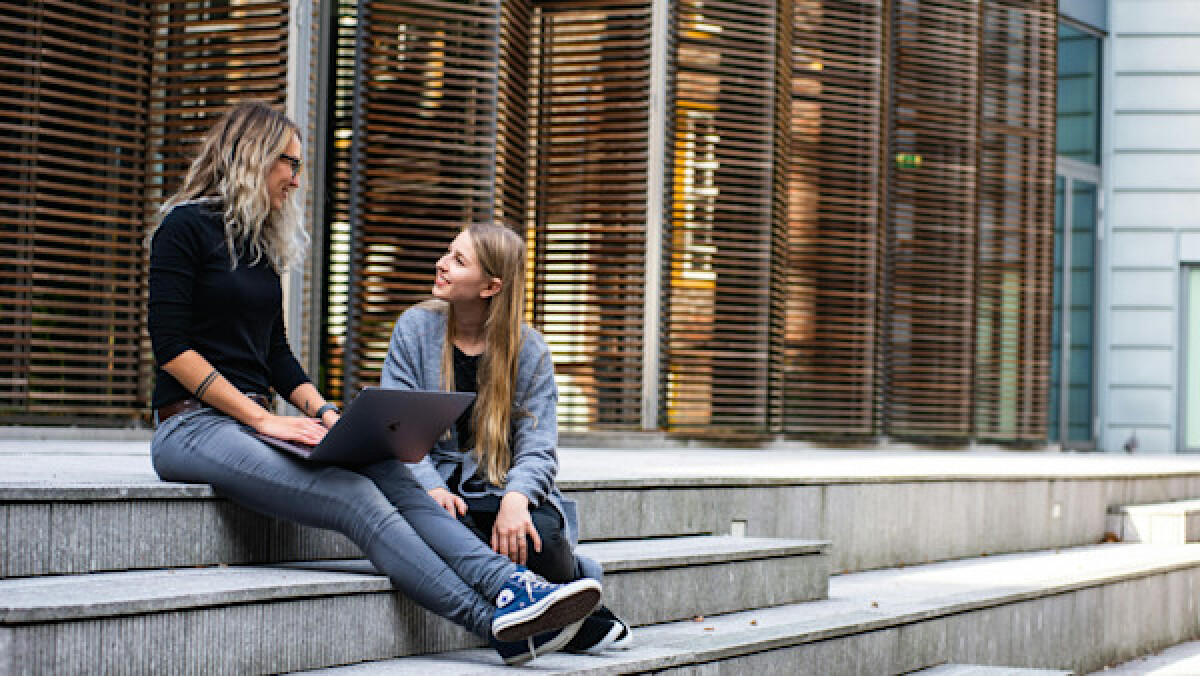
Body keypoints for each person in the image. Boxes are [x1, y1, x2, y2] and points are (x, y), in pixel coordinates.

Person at [146, 101, 600, 667]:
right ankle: (492, 623)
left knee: (386, 466)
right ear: (252, 155)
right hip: (191, 426)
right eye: (289, 162)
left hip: (254, 425)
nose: (296, 177)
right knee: (356, 497)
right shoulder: (182, 227)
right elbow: (171, 349)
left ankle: (511, 586)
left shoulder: (258, 247)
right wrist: (262, 418)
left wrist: (331, 416)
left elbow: (279, 357)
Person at [381, 223, 633, 657]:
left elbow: (538, 446)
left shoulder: (529, 349)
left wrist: (517, 499)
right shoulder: (415, 327)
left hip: (497, 487)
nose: (441, 264)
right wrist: (432, 487)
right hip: (433, 486)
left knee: (543, 535)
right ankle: (577, 616)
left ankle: (562, 587)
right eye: (447, 252)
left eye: (458, 261)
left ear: (490, 286)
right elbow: (396, 425)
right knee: (444, 530)